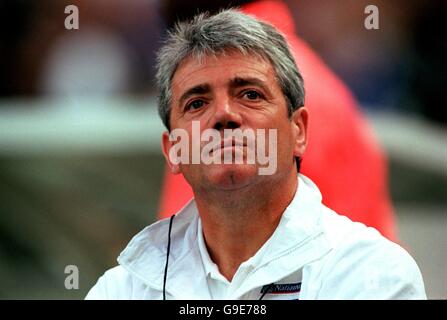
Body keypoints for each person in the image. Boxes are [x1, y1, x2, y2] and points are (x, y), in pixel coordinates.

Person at [86, 9, 425, 299]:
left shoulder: (374, 274)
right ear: (173, 150)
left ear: (299, 131)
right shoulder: (124, 288)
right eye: (197, 103)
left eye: (249, 94)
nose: (223, 115)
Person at [157, 0, 398, 242]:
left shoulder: (212, 82)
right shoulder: (301, 74)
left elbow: (183, 258)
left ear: (299, 127)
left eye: (249, 95)